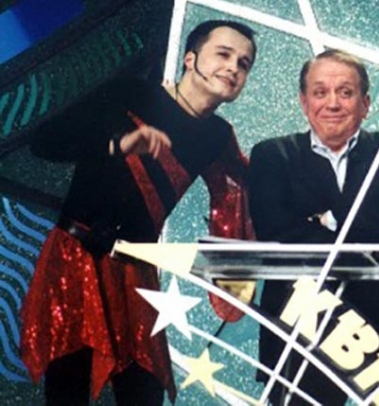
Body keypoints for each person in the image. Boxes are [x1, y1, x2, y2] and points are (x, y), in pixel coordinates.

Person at [19, 20, 257, 405]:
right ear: (190, 59)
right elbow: (45, 142)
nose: (233, 67)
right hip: (76, 259)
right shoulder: (131, 93)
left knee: (144, 394)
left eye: (244, 64)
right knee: (67, 389)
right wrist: (117, 144)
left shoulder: (218, 137)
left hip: (136, 275)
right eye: (224, 54)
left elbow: (244, 186)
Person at [248, 49, 379, 405]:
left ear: (365, 104)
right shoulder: (272, 156)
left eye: (345, 92)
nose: (332, 103)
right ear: (304, 102)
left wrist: (329, 219)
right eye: (320, 92)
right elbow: (278, 234)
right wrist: (375, 226)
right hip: (303, 328)